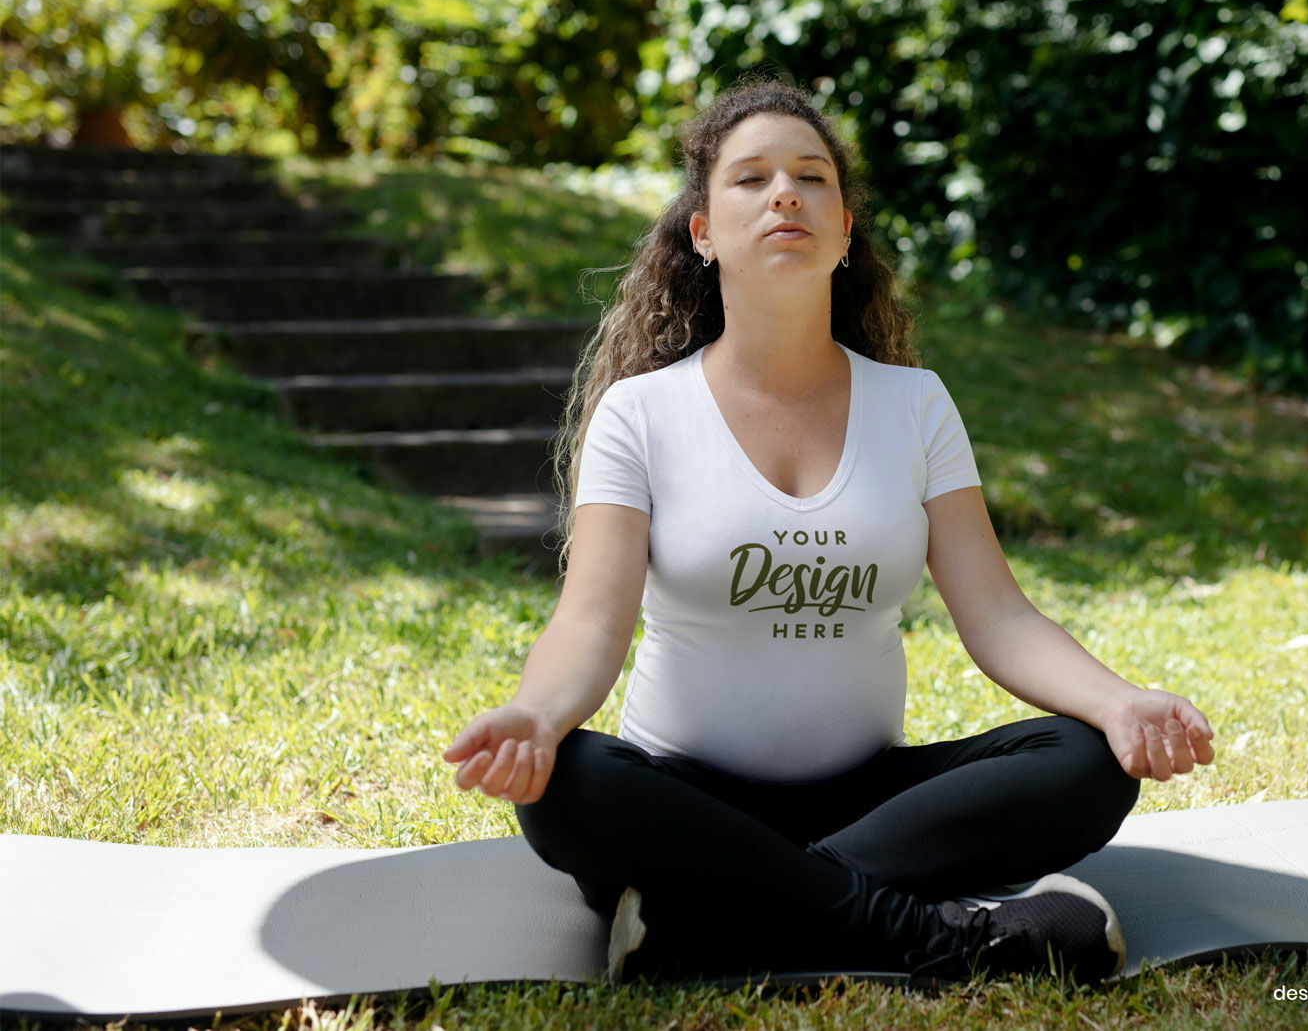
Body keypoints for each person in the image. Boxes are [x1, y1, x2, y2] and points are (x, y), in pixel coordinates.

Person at [443, 78, 1215, 984]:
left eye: (812, 177)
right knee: (571, 784)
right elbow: (591, 623)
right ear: (702, 233)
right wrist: (537, 715)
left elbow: (1000, 617)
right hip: (684, 795)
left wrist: (1118, 700)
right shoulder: (640, 414)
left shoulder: (914, 404)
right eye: (751, 179)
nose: (785, 194)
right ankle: (955, 939)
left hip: (872, 799)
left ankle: (701, 921)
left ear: (844, 232)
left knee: (1085, 759)